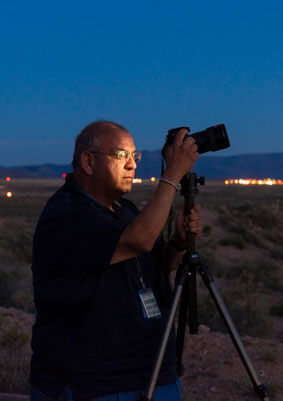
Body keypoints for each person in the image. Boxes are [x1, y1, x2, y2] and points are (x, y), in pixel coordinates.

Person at [30, 121, 202, 401]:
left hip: (153, 374)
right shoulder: (66, 215)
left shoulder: (127, 211)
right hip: (95, 385)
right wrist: (172, 174)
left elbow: (157, 264)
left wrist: (179, 242)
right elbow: (140, 241)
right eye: (122, 155)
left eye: (135, 156)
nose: (132, 165)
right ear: (88, 161)